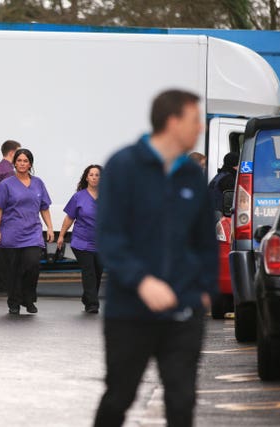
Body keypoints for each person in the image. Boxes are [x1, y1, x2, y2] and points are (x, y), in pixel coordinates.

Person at [94, 89, 218, 427]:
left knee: (182, 401)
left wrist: (205, 289)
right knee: (120, 395)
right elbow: (109, 238)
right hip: (130, 310)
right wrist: (142, 281)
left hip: (183, 309)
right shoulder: (123, 166)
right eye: (195, 120)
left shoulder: (192, 175)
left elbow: (206, 240)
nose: (200, 129)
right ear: (173, 121)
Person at [0, 148, 54, 315]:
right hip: (11, 232)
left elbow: (44, 207)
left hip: (32, 232)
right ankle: (14, 303)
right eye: (19, 161)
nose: (22, 164)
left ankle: (28, 298)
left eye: (25, 161)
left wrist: (49, 227)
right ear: (14, 163)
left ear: (30, 163)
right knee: (13, 270)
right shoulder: (6, 184)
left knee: (32, 265)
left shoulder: (38, 183)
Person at [57, 164, 103, 314]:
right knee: (88, 270)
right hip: (81, 242)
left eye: (97, 175)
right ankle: (92, 304)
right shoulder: (79, 196)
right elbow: (69, 217)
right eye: (91, 175)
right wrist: (62, 235)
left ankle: (88, 296)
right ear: (86, 177)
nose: (94, 178)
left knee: (97, 272)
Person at [0, 139, 21, 297]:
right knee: (4, 255)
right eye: (19, 153)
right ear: (12, 153)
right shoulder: (8, 172)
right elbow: (10, 196)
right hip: (5, 218)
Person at [208, 151, 239, 216]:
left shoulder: (220, 175)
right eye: (239, 164)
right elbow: (233, 200)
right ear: (234, 165)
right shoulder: (228, 179)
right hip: (220, 214)